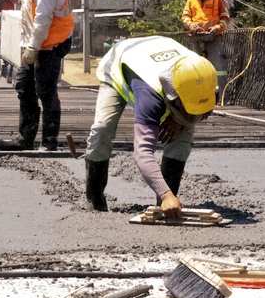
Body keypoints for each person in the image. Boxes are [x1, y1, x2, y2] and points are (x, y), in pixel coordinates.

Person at [83, 35, 217, 218]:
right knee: (102, 128)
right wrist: (166, 193)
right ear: (173, 98)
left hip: (158, 49)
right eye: (184, 109)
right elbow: (143, 152)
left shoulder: (202, 79)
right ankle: (94, 199)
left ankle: (166, 205)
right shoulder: (150, 96)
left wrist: (179, 120)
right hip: (118, 66)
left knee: (182, 137)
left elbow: (202, 109)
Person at [0, 0, 74, 151]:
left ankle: (48, 142)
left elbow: (44, 13)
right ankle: (25, 139)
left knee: (46, 91)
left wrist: (33, 46)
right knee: (25, 87)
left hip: (49, 43)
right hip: (40, 42)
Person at [182, 0, 230, 91]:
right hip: (196, 37)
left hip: (213, 37)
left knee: (217, 67)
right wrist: (191, 25)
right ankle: (199, 93)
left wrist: (217, 28)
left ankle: (221, 97)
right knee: (196, 67)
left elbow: (225, 17)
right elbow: (185, 16)